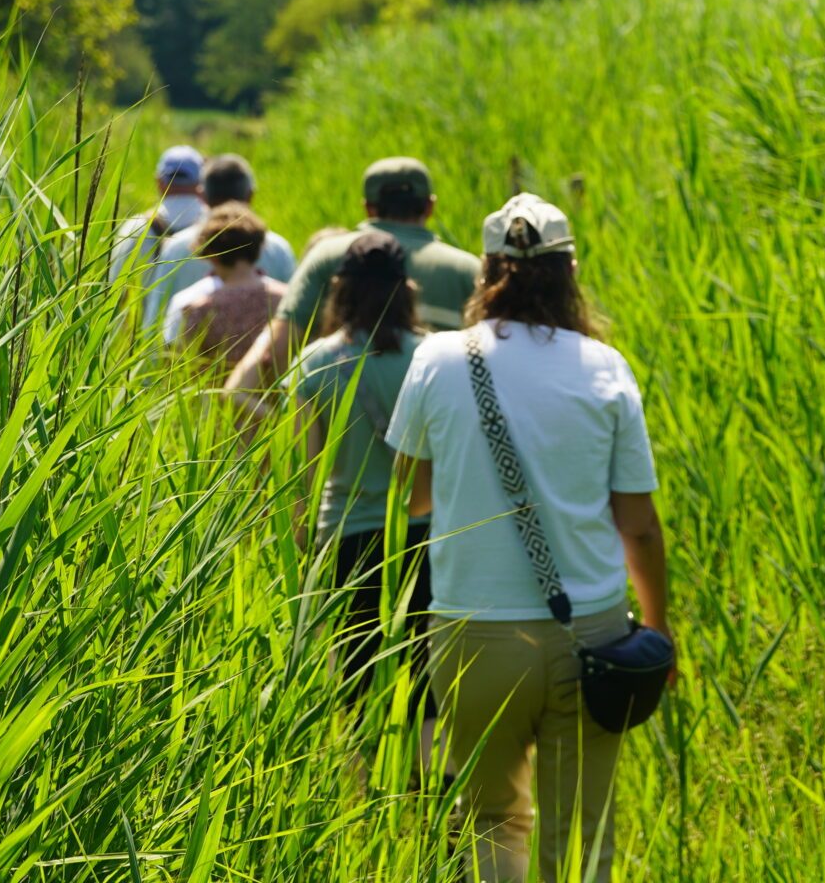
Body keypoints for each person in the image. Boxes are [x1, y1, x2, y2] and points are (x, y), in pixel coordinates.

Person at [383, 193, 668, 883]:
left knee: (489, 823)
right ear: (569, 271)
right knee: (580, 840)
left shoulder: (439, 359)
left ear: (486, 272)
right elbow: (638, 525)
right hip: (592, 635)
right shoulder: (606, 368)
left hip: (473, 629)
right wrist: (657, 629)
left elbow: (409, 496)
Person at [259, 233, 433, 713]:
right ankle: (427, 783)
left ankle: (363, 785)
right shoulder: (434, 357)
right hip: (428, 535)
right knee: (424, 684)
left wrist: (301, 545)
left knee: (354, 685)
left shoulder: (316, 363)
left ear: (340, 289)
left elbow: (305, 471)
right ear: (407, 289)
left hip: (347, 538)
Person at [223, 156, 478, 412]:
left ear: (368, 207)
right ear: (430, 206)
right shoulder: (467, 270)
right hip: (437, 431)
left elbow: (274, 354)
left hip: (338, 432)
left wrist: (288, 422)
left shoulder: (328, 254)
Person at [141, 154, 299, 331]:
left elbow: (154, 322)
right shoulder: (277, 248)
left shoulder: (177, 247)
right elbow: (296, 317)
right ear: (250, 195)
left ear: (201, 195)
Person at [166, 203, 287, 376]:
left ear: (212, 255)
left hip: (216, 402)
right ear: (258, 248)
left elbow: (178, 374)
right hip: (281, 402)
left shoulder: (199, 309)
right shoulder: (286, 300)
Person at [109, 144, 206, 298]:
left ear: (159, 182)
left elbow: (115, 291)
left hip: (144, 322)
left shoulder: (135, 227)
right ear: (200, 184)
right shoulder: (216, 226)